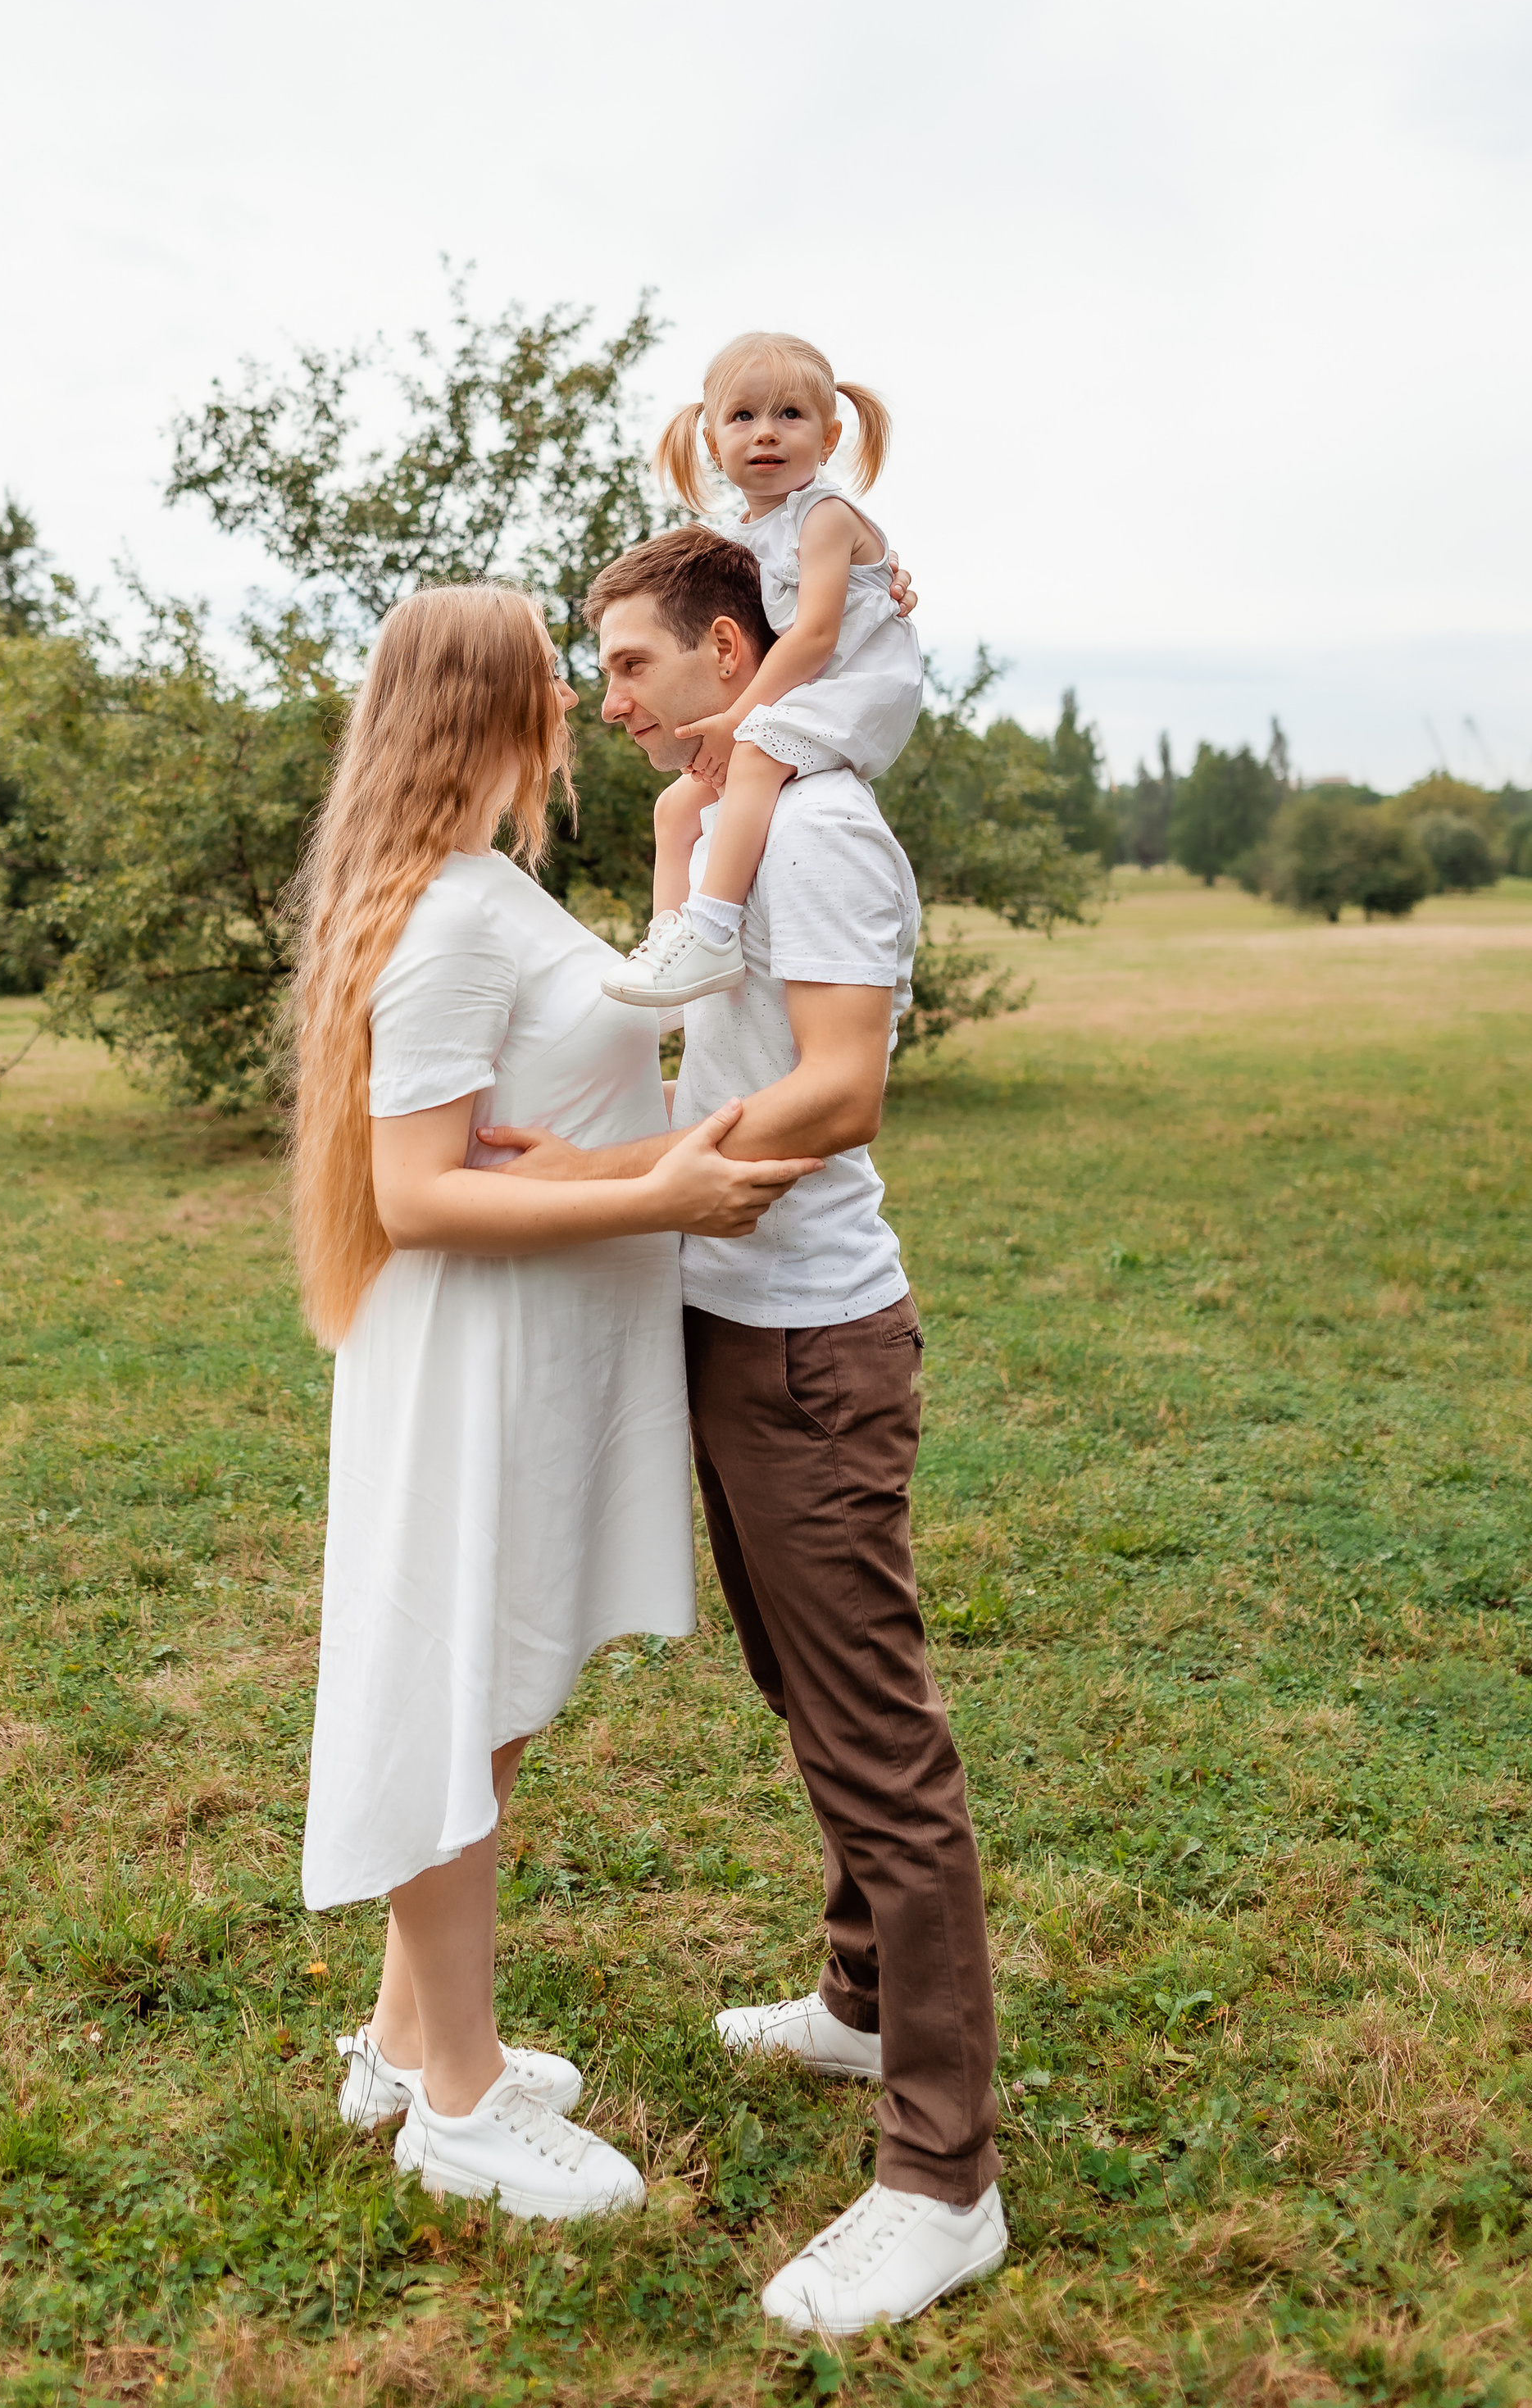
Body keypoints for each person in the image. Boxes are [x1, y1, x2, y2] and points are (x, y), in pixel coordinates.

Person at [480, 527, 1007, 2332]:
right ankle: (862, 2008)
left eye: (628, 666)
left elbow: (839, 1085)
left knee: (877, 1744)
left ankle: (942, 2181)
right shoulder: (719, 829)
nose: (603, 699)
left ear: (727, 648)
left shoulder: (828, 825)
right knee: (803, 1695)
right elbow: (685, 1021)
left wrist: (609, 1179)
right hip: (724, 1326)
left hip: (809, 1346)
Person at [291, 581, 819, 2223]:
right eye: (551, 678)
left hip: (528, 1355)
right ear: (485, 706)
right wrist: (659, 1199)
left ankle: (399, 2045)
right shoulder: (446, 921)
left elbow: (590, 1058)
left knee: (493, 1702)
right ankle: (457, 2102)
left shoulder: (479, 888)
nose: (577, 706)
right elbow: (422, 1194)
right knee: (457, 1701)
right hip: (472, 1362)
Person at [602, 331, 923, 1015]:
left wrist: (737, 714)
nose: (767, 433)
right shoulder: (737, 539)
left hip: (853, 688)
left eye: (790, 415)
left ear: (829, 437)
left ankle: (714, 930)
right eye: (743, 417)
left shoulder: (827, 515)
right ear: (714, 445)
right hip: (799, 690)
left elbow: (813, 636)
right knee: (677, 803)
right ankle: (673, 950)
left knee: (749, 755)